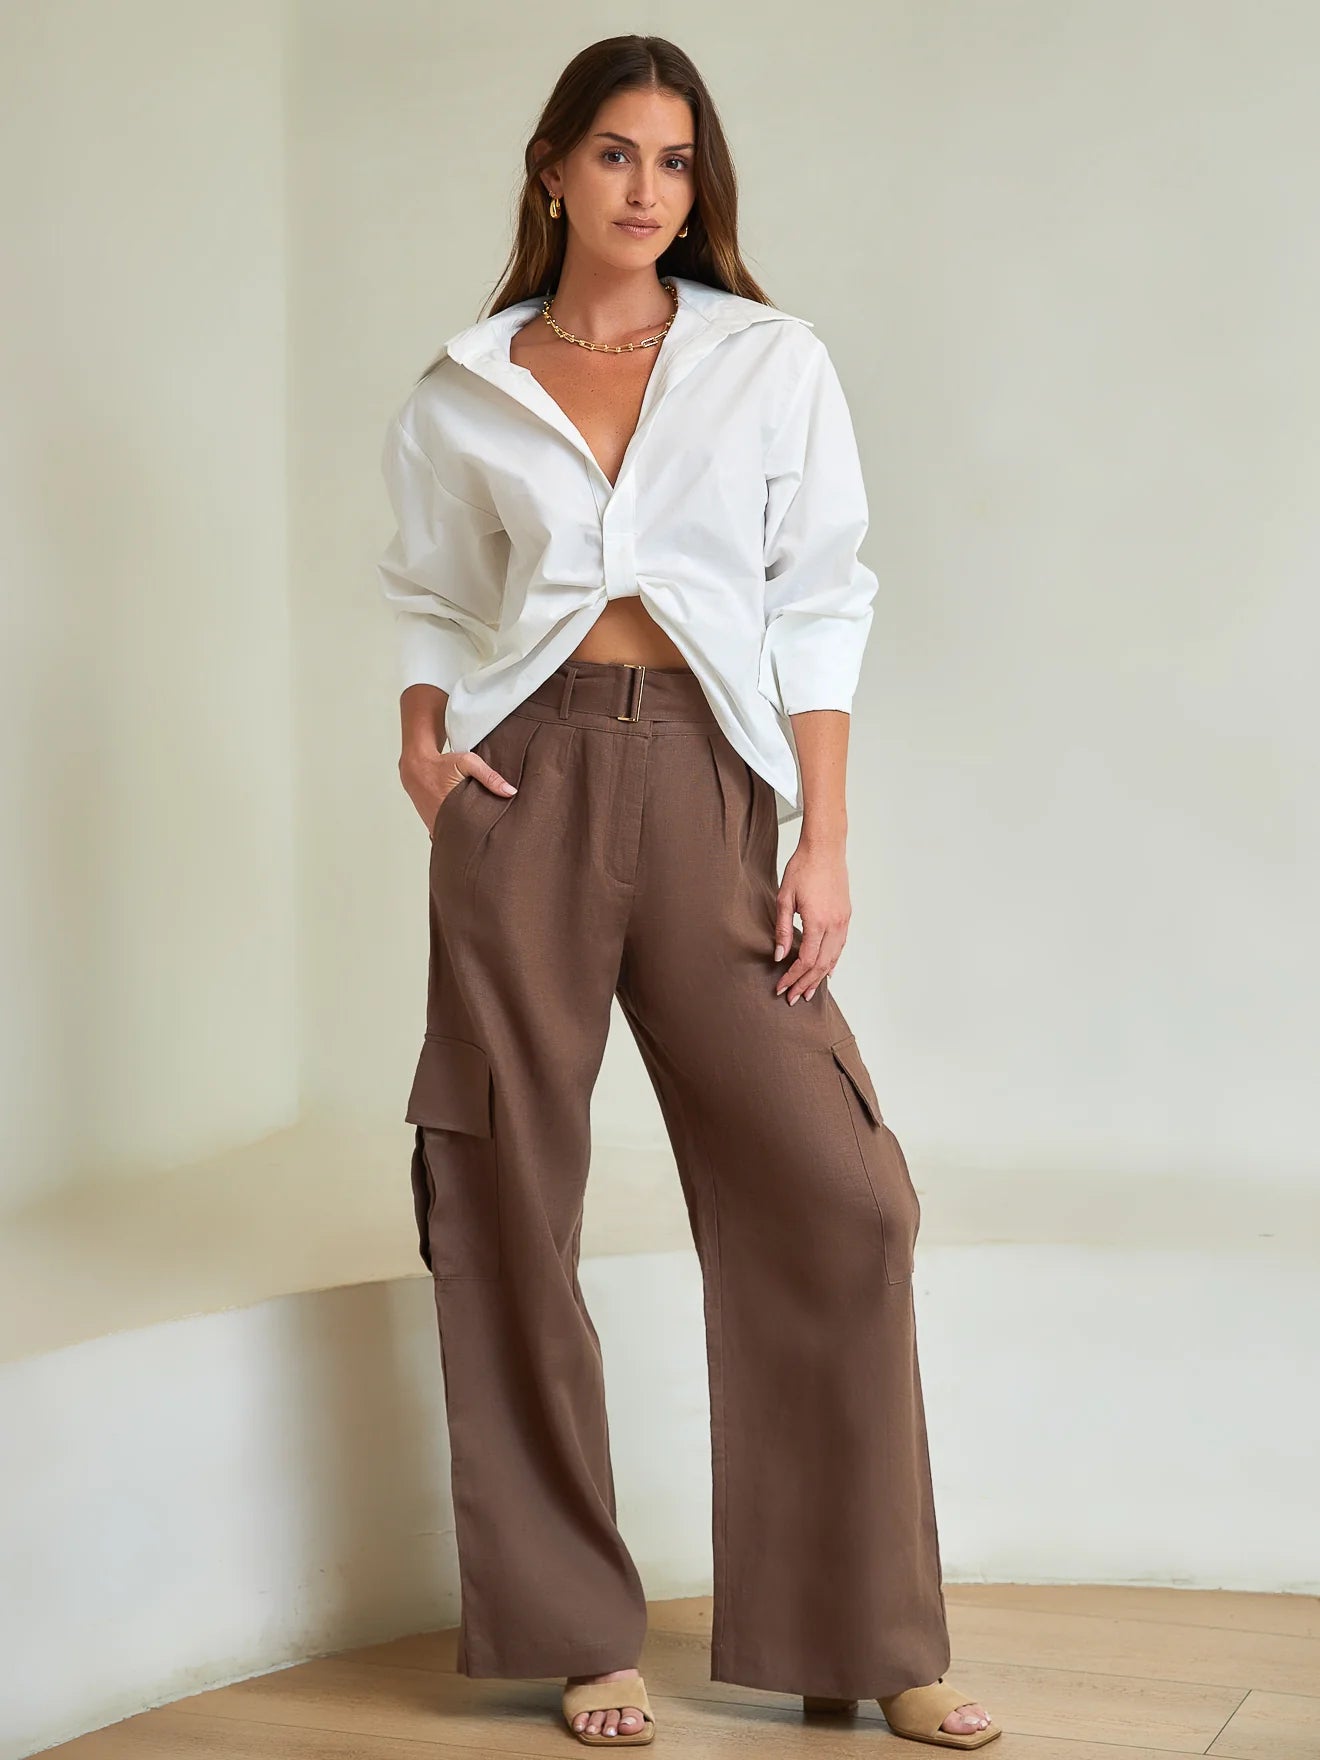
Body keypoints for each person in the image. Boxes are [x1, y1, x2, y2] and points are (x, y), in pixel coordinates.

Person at [375, 32, 1000, 1755]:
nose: (648, 191)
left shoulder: (767, 363)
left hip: (718, 786)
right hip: (527, 788)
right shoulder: (464, 386)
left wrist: (824, 831)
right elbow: (430, 592)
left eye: (675, 162)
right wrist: (425, 751)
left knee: (844, 1194)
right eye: (616, 157)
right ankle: (581, 1627)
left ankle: (869, 1634)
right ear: (553, 169)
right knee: (505, 1191)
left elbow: (823, 598)